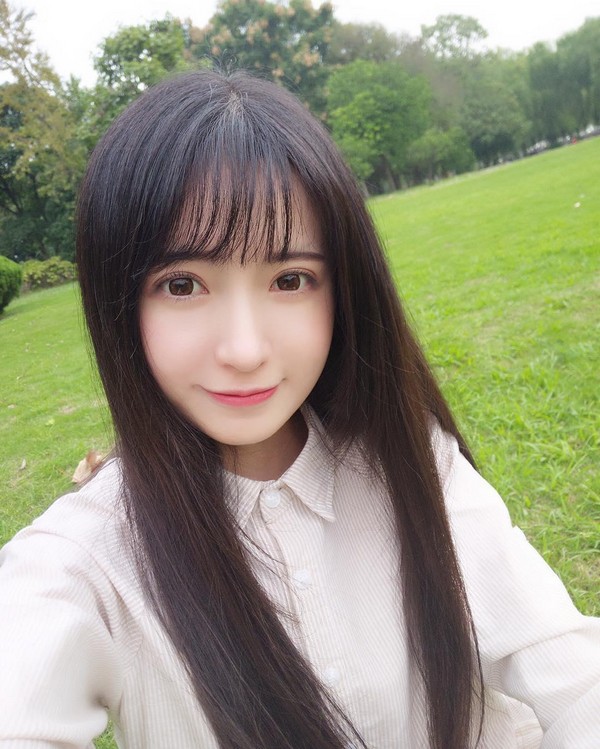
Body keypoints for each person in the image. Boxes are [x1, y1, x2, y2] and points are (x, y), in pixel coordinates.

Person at [0, 70, 598, 749]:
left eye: (290, 279)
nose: (245, 349)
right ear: (118, 301)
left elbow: (576, 676)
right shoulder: (81, 564)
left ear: (344, 289)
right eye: (183, 284)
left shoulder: (412, 464)